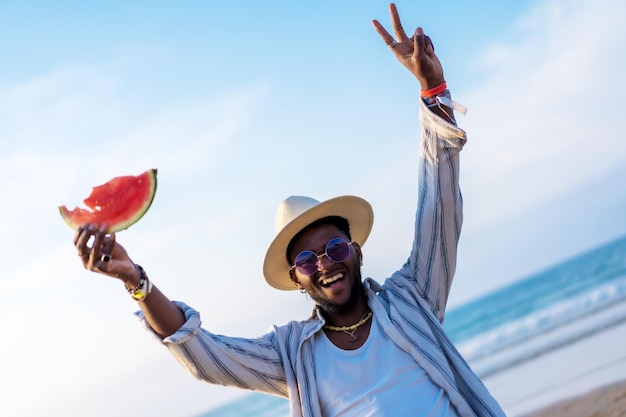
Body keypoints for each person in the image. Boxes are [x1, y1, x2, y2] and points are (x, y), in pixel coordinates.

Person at [73, 4, 505, 416]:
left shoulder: (412, 299)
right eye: (305, 259)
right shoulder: (291, 354)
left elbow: (440, 209)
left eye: (335, 248)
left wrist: (433, 92)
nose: (324, 264)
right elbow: (208, 356)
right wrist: (136, 281)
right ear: (297, 278)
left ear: (356, 251)